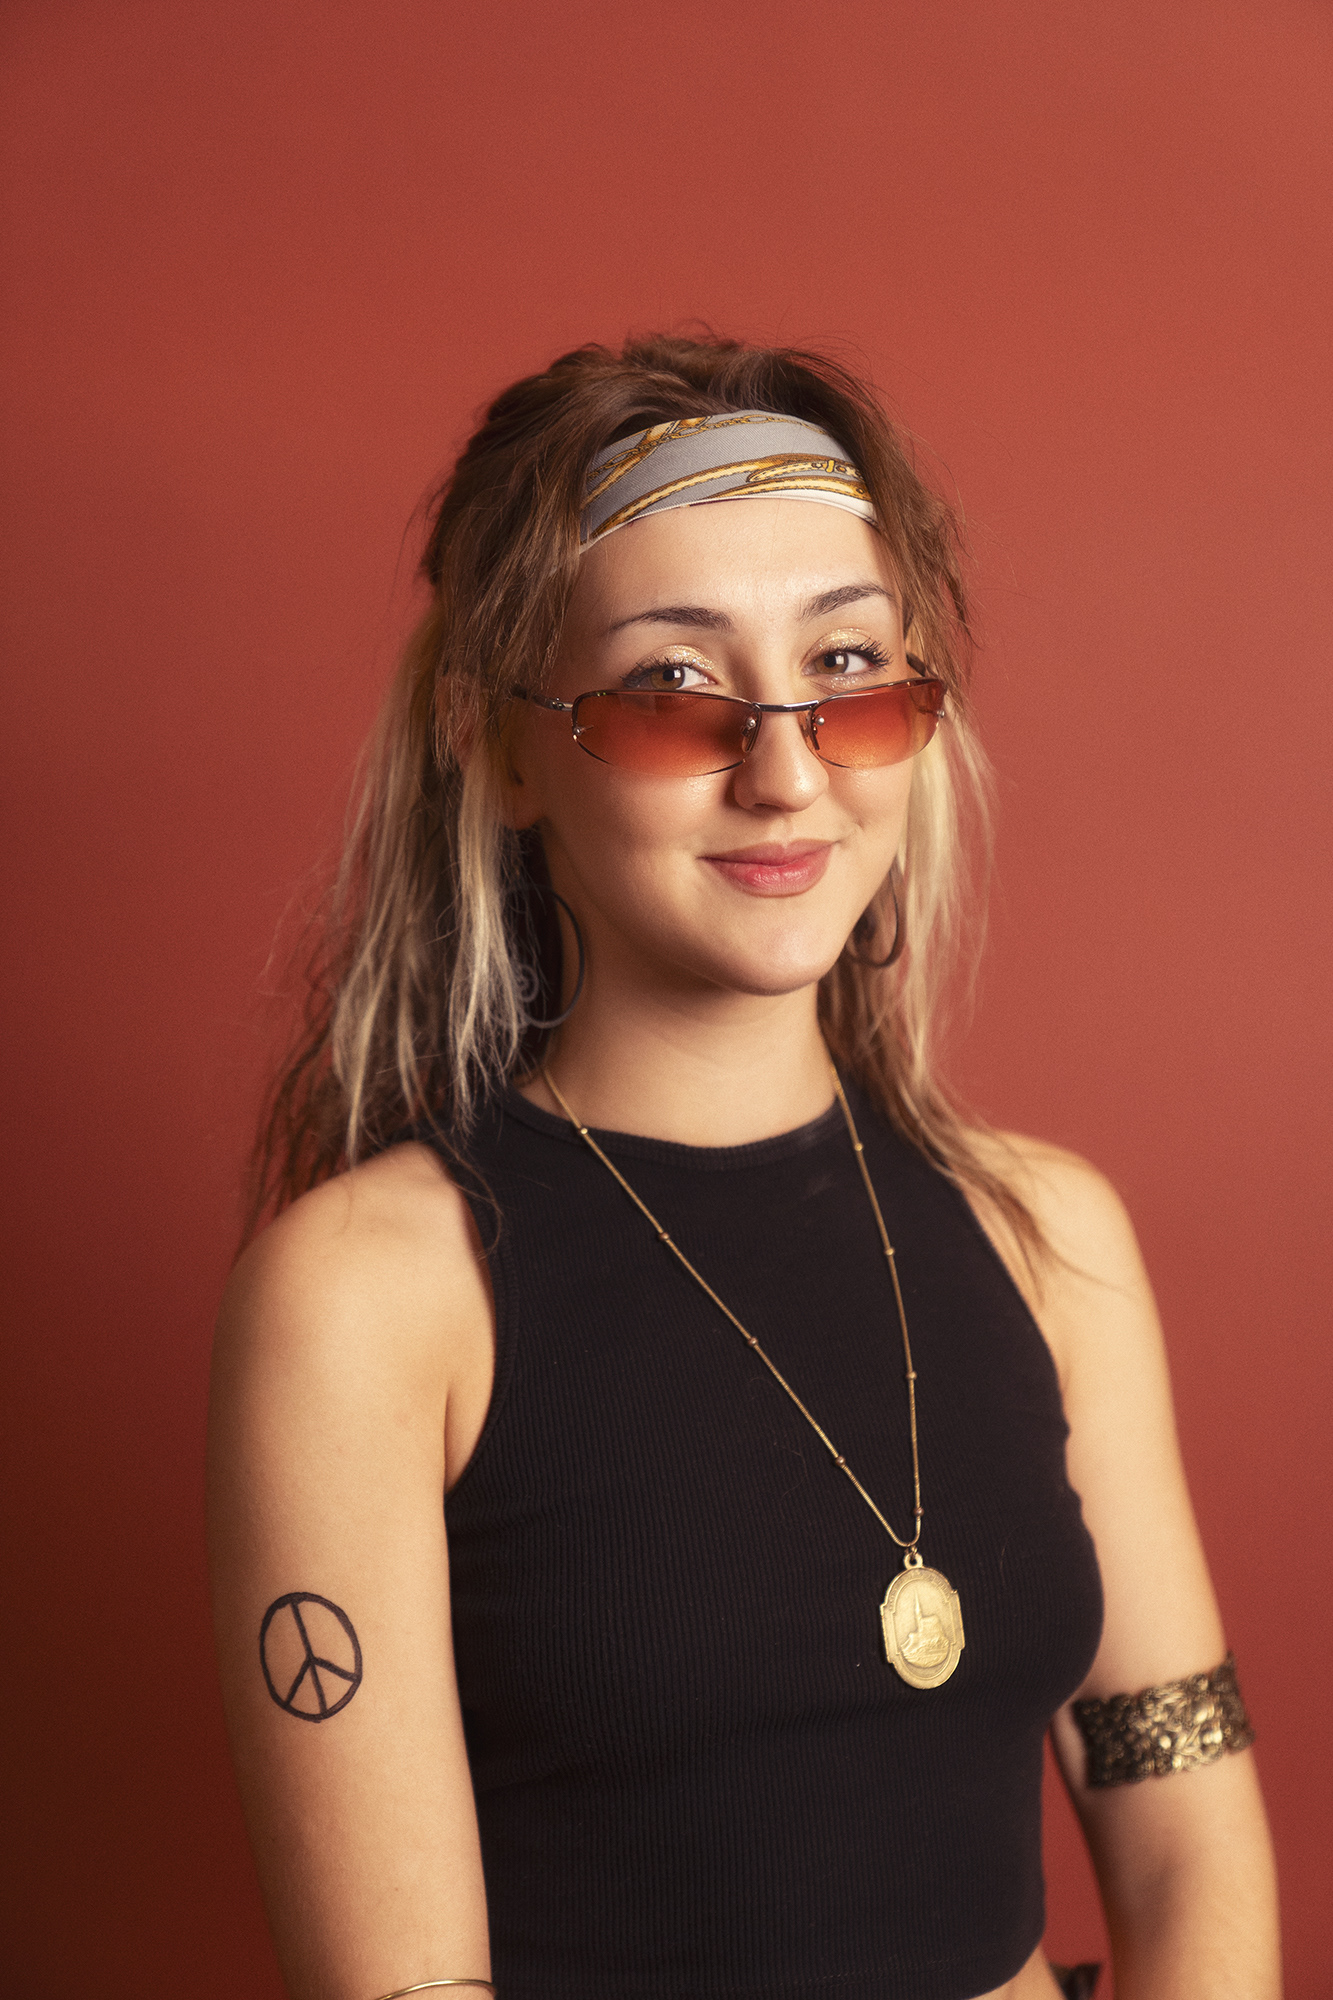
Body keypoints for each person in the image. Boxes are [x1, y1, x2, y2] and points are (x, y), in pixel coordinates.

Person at [208, 334, 1281, 2000]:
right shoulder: (368, 1298)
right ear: (499, 747)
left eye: (846, 666)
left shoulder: (1044, 1235)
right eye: (669, 688)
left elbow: (1183, 1822)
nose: (785, 772)